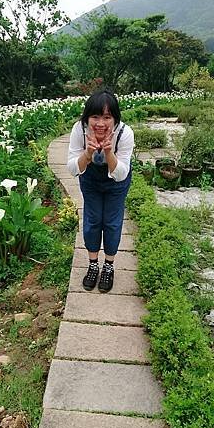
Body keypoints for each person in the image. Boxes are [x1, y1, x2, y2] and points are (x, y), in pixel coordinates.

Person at [67, 89, 134, 292]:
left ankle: (109, 266)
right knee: (93, 220)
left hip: (117, 181)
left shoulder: (124, 133)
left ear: (115, 118)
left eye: (107, 117)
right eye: (95, 116)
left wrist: (108, 151)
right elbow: (72, 168)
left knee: (112, 223)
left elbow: (121, 172)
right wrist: (88, 152)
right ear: (87, 118)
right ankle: (93, 264)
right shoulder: (80, 130)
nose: (101, 123)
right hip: (90, 179)